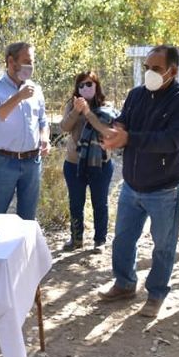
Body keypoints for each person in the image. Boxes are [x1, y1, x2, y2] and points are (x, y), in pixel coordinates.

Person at [99, 45, 179, 318]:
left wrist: (129, 138)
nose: (150, 73)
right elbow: (124, 122)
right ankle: (124, 283)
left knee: (163, 245)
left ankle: (156, 294)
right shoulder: (136, 95)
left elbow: (172, 141)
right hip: (132, 185)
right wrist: (117, 129)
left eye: (156, 68)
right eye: (147, 68)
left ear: (173, 71)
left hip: (164, 188)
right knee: (122, 239)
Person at [0, 42, 50, 220]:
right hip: (4, 162)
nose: (31, 66)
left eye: (32, 61)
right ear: (11, 61)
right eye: (26, 61)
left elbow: (42, 120)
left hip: (32, 162)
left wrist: (45, 139)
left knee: (28, 219)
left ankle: (24, 249)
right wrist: (18, 97)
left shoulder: (37, 90)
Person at [60, 71, 117, 252]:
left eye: (89, 84)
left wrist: (87, 112)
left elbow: (106, 131)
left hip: (100, 164)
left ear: (96, 85)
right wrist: (76, 111)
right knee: (75, 203)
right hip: (74, 163)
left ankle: (100, 240)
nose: (85, 88)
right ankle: (76, 239)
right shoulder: (72, 105)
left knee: (100, 202)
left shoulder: (107, 107)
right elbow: (64, 127)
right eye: (81, 85)